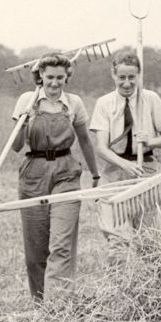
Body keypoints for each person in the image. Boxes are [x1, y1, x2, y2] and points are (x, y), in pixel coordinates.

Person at [10, 52, 100, 302]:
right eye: (49, 77)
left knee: (61, 244)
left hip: (66, 172)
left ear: (67, 77)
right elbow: (16, 145)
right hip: (33, 173)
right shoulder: (27, 100)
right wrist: (24, 120)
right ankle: (41, 307)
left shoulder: (74, 103)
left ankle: (57, 307)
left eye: (60, 77)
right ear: (40, 75)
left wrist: (95, 173)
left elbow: (84, 139)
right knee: (36, 250)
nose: (54, 83)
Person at [89, 50, 161, 231]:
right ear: (113, 75)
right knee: (117, 234)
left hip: (147, 171)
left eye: (132, 77)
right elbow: (101, 147)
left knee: (150, 233)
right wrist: (125, 165)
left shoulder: (150, 98)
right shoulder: (104, 103)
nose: (127, 83)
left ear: (139, 75)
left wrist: (150, 142)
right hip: (115, 172)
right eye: (122, 77)